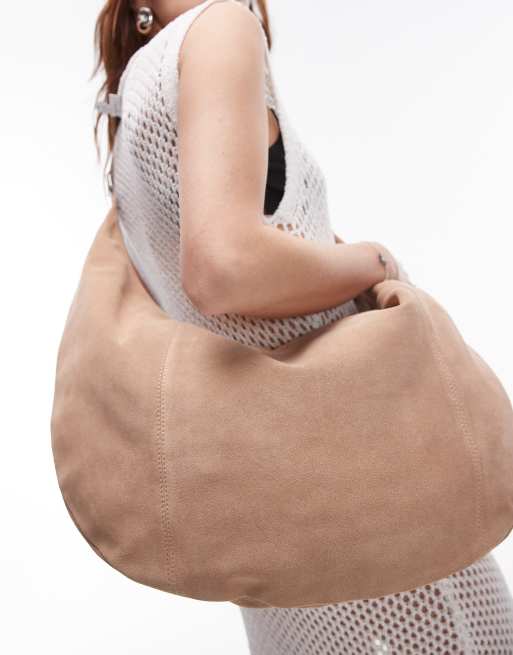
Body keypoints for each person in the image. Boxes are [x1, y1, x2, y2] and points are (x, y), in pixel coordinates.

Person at [93, 0, 513, 652]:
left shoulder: (135, 84)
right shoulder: (221, 28)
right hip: (366, 489)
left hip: (277, 510)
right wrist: (373, 260)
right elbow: (223, 267)